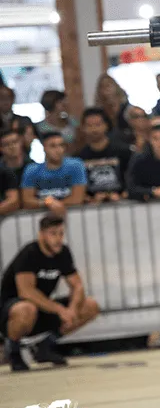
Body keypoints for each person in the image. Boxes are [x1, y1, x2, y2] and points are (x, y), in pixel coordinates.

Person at [0, 213, 100, 372]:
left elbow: (77, 285)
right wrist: (60, 310)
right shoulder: (29, 253)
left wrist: (72, 309)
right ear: (41, 234)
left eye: (61, 233)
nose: (58, 238)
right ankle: (13, 351)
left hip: (42, 309)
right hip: (12, 311)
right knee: (26, 308)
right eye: (53, 234)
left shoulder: (63, 253)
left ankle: (45, 346)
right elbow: (26, 291)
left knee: (90, 306)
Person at [21, 133, 87, 214]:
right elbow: (27, 201)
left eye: (61, 145)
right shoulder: (31, 169)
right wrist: (49, 203)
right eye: (53, 146)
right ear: (44, 148)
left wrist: (52, 204)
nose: (58, 150)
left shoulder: (76, 165)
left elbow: (77, 198)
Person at [77, 108, 133, 203]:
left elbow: (132, 179)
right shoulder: (78, 158)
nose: (94, 129)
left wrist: (123, 195)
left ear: (106, 125)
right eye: (89, 125)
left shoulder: (124, 152)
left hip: (122, 202)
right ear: (83, 128)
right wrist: (90, 199)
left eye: (98, 124)